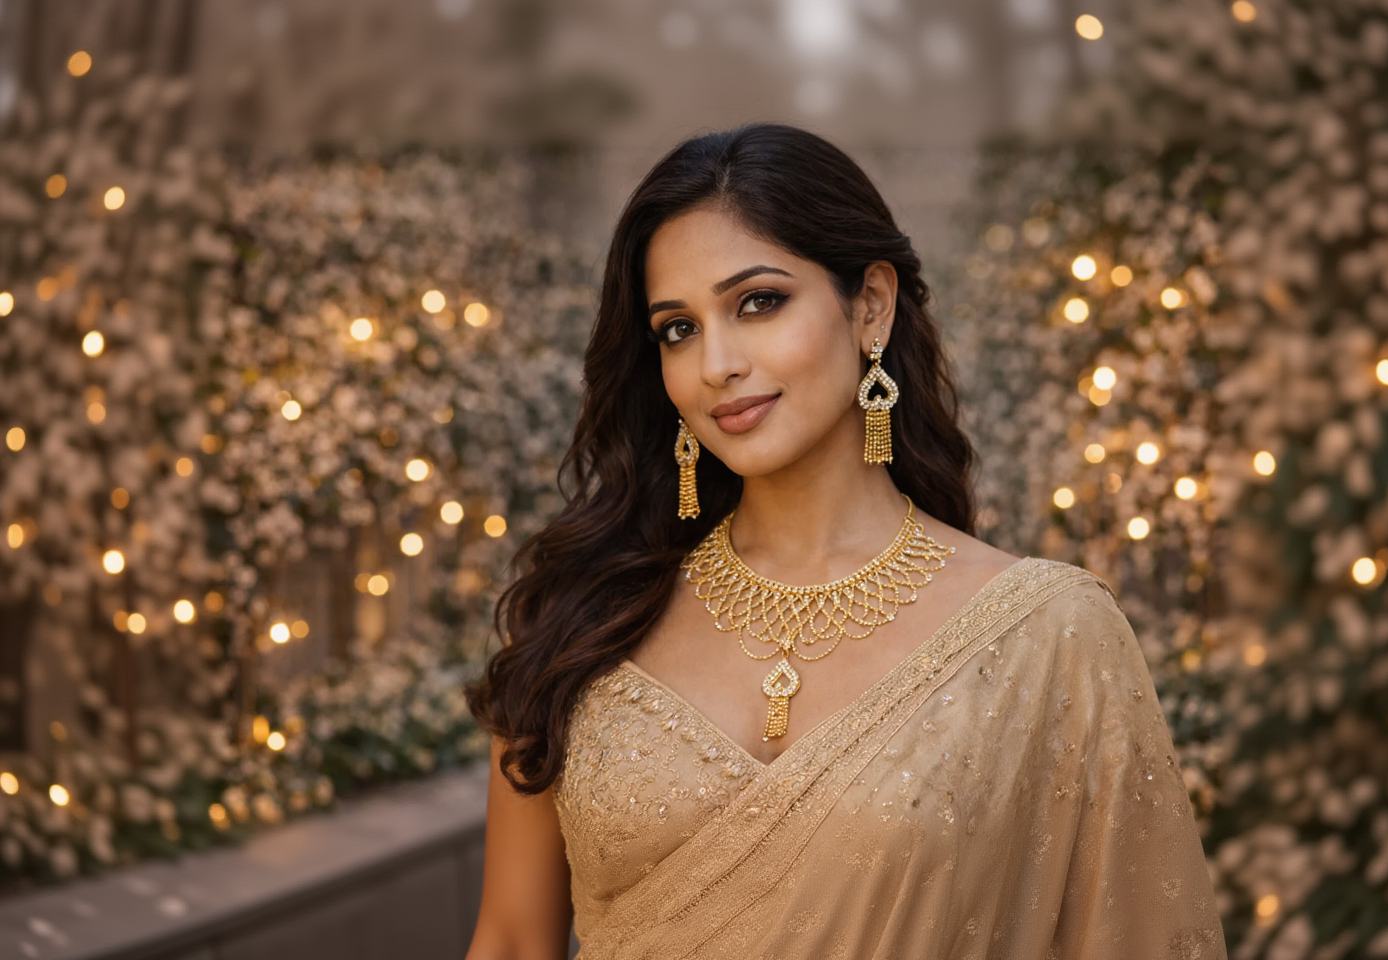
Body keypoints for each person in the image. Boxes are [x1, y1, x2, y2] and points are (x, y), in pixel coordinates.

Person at [464, 123, 1225, 960]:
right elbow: (509, 941)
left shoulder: (1049, 635)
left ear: (870, 305)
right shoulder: (583, 618)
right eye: (677, 329)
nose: (717, 362)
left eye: (758, 302)